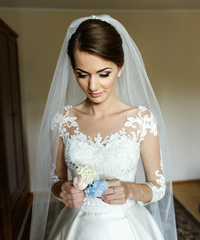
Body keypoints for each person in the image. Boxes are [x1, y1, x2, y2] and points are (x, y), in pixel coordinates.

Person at [30, 15, 177, 240]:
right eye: (82, 74)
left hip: (127, 227)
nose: (92, 86)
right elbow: (55, 181)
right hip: (77, 226)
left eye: (103, 73)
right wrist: (64, 190)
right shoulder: (62, 119)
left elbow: (157, 188)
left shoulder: (142, 120)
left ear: (120, 67)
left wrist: (129, 190)